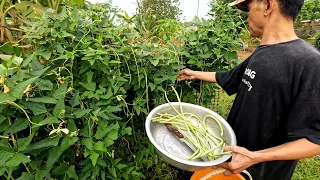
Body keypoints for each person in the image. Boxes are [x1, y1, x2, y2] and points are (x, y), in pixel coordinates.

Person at [177, 0, 320, 179]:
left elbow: (315, 141)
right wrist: (194, 74)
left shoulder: (310, 63)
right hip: (230, 163)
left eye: (248, 8)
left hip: (261, 173)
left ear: (268, 6)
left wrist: (255, 157)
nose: (247, 17)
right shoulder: (262, 53)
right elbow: (230, 77)